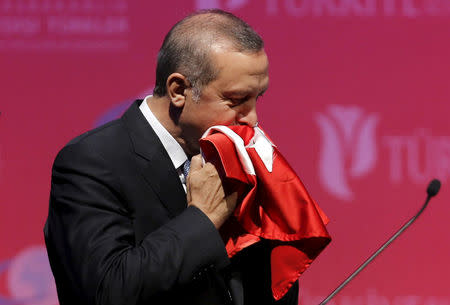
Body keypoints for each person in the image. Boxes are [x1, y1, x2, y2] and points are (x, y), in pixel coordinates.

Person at [44, 9, 299, 305]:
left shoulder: (235, 161)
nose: (252, 120)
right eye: (237, 100)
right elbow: (107, 291)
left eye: (258, 98)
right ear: (179, 90)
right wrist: (202, 219)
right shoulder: (91, 162)